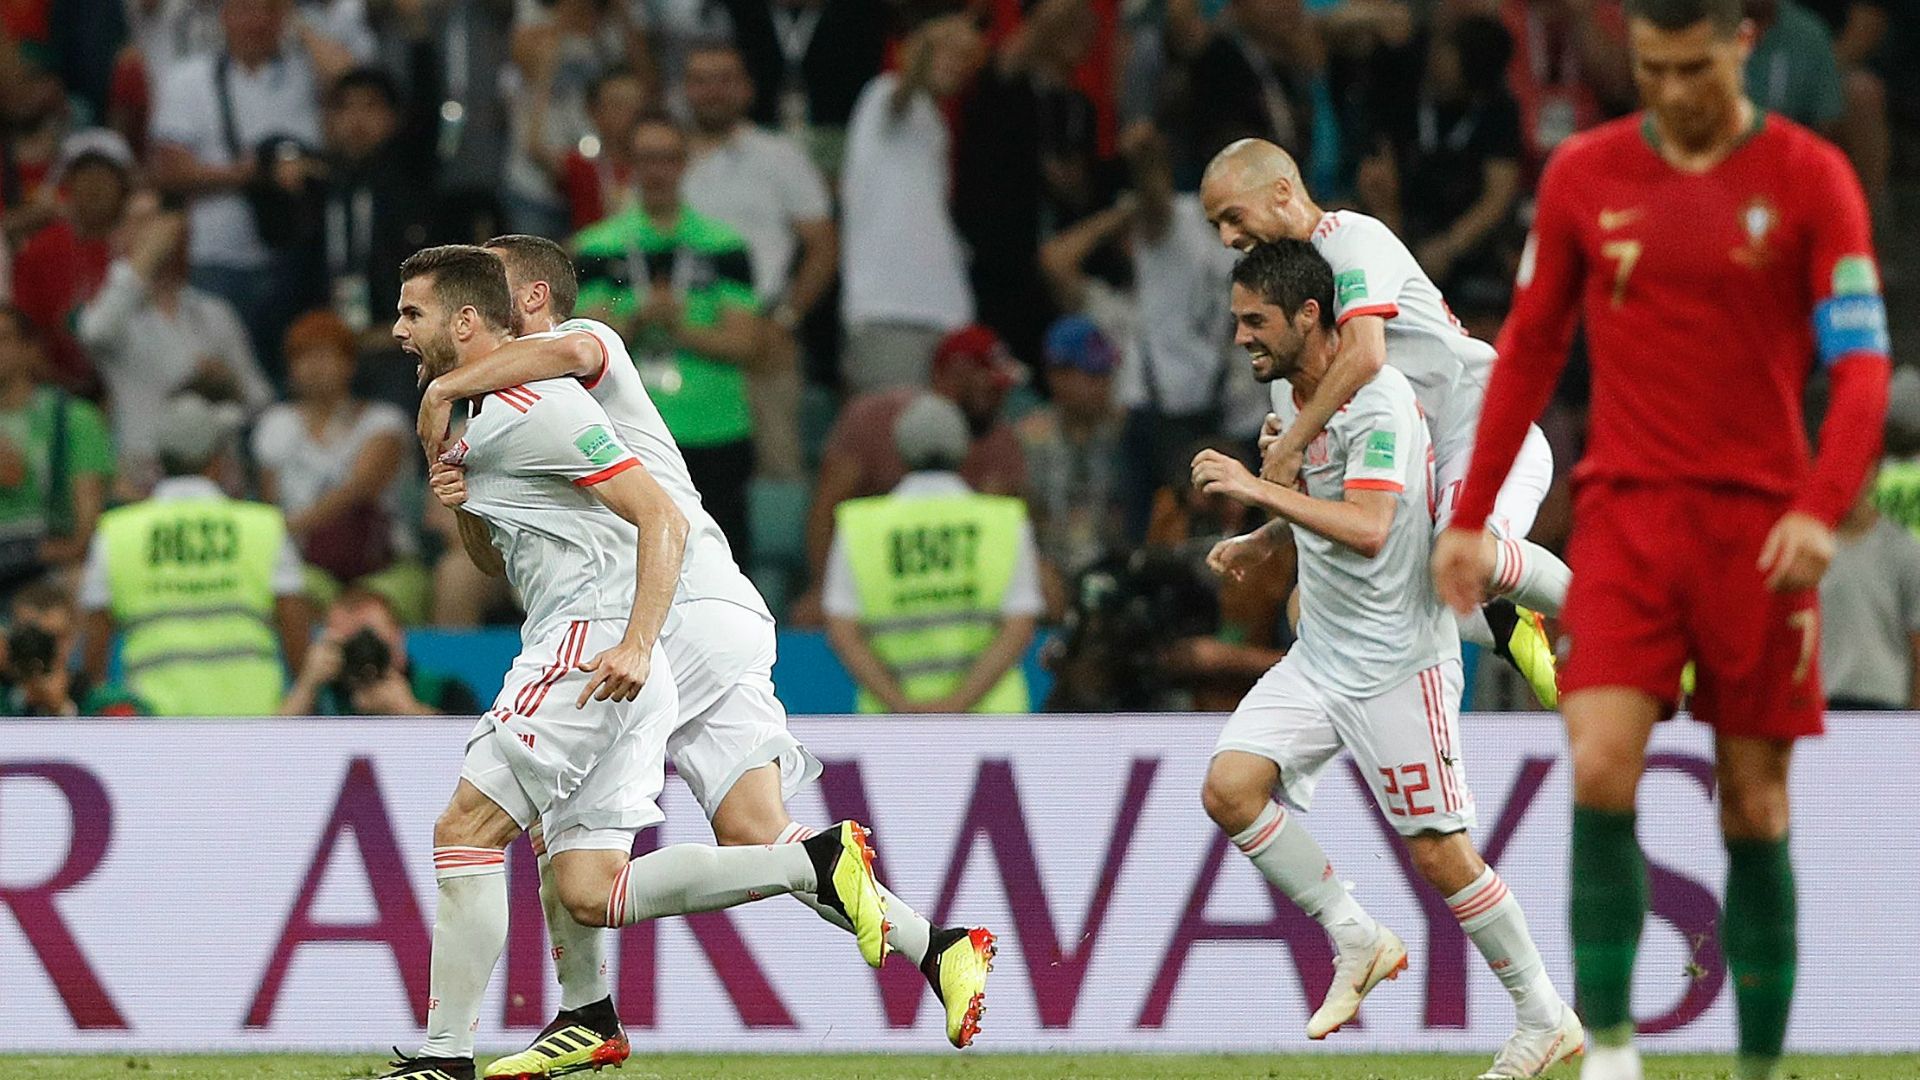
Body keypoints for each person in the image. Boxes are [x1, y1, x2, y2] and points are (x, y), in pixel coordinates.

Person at [1427, 0, 1892, 1076]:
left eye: (1691, 68)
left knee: (1756, 800)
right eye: (1649, 69)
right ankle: (1616, 1057)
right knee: (1598, 765)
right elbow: (1530, 355)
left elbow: (1861, 370)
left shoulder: (1812, 176)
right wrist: (1469, 517)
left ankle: (1761, 1068)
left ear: (1742, 44)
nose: (1670, 93)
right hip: (1627, 520)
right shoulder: (1585, 174)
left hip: (1760, 528)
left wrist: (1820, 512)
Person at [414, 235, 996, 1067]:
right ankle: (938, 949)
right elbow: (500, 552)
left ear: (535, 299)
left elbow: (582, 352)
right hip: (713, 614)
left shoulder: (585, 351)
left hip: (670, 610)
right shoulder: (509, 421)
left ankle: (585, 1010)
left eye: (502, 292)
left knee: (549, 800)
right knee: (761, 833)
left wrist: (446, 384)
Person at [1195, 240, 1581, 1076]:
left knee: (1442, 854)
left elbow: (1372, 529)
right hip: (1322, 657)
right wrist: (1268, 537)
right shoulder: (1289, 392)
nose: (1241, 338)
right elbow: (1327, 501)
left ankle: (1543, 1016)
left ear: (1309, 316)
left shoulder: (1380, 401)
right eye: (1236, 321)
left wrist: (1259, 489)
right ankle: (1356, 935)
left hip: (1399, 665)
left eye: (1254, 321)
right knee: (1230, 789)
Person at [1199, 137, 1566, 708]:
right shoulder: (1295, 351)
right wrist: (1270, 536)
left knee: (1462, 549)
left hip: (1482, 432)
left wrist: (1294, 441)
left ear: (1280, 193)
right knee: (1315, 609)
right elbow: (1337, 499)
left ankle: (1616, 621)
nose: (1226, 238)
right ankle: (1502, 625)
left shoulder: (1352, 241)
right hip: (1419, 462)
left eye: (1232, 217)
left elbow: (1367, 351)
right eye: (1216, 225)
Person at [571, 115, 764, 564]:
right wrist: (637, 318)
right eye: (645, 159)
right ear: (629, 165)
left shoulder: (724, 246)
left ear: (685, 163)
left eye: (667, 159)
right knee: (627, 569)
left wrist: (679, 328)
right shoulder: (596, 247)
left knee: (720, 567)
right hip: (623, 433)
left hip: (714, 428)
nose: (656, 171)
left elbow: (745, 343)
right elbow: (580, 343)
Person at [78, 393, 311, 716]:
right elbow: (294, 622)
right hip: (255, 725)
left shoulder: (116, 532)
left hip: (156, 727)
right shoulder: (263, 527)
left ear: (158, 461)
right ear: (218, 461)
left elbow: (95, 642)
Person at [146, 0, 335, 373]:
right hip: (219, 257)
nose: (256, 23)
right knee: (222, 371)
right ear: (224, 17)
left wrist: (299, 24)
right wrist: (253, 174)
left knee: (293, 374)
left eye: (267, 11)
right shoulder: (190, 78)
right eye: (244, 11)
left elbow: (351, 79)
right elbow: (167, 169)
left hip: (297, 257)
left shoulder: (303, 74)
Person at [823, 393, 1043, 715]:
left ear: (899, 451)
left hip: (889, 727)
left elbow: (843, 630)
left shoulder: (860, 526)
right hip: (991, 721)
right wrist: (956, 705)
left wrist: (901, 706)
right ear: (965, 448)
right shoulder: (1003, 521)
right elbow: (1019, 625)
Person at [797, 324, 1029, 623]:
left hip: (963, 579)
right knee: (811, 613)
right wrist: (826, 585)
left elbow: (1000, 538)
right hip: (875, 571)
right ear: (953, 374)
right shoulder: (872, 418)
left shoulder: (1001, 440)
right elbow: (826, 509)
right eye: (990, 387)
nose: (998, 399)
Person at [681, 40, 838, 482]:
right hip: (685, 336)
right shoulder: (666, 160)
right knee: (684, 476)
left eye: (724, 80)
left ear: (747, 89)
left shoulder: (779, 156)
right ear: (685, 90)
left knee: (777, 470)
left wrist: (787, 317)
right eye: (700, 81)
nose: (712, 91)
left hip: (763, 331)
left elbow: (824, 244)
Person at [74, 200, 276, 493]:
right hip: (146, 479)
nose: (158, 232)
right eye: (141, 222)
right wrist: (143, 258)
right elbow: (95, 334)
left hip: (216, 479)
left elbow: (261, 400)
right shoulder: (112, 313)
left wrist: (229, 384)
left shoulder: (213, 311)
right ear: (118, 234)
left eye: (160, 220)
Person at [837, 14, 984, 393]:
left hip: (949, 313)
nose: (954, 63)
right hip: (889, 311)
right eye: (943, 52)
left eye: (963, 57)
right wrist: (922, 49)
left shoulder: (937, 124)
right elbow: (904, 90)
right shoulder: (882, 95)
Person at [251, 310, 419, 613]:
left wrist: (287, 527)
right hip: (305, 561)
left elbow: (359, 488)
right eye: (304, 357)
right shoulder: (275, 424)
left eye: (325, 356)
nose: (315, 367)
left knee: (377, 604)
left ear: (350, 364)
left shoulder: (384, 421)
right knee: (293, 592)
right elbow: (269, 500)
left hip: (383, 564)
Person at [0, 307, 116, 597]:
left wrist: (36, 554)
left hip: (48, 562)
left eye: (3, 339)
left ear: (29, 349)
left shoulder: (73, 419)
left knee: (81, 584)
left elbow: (84, 531)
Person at [1018, 315, 1125, 599]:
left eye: (1106, 373)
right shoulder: (1029, 439)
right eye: (1092, 374)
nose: (1103, 385)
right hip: (1048, 584)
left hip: (1114, 579)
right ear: (1057, 376)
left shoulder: (1123, 434)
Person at [280, 587, 479, 716]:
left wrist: (409, 711)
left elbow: (473, 759)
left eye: (371, 637)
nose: (362, 649)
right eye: (349, 641)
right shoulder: (323, 698)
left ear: (397, 635)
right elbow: (269, 751)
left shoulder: (446, 692)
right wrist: (306, 686)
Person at [1818, 483, 1920, 710]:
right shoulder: (1804, 548)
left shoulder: (1904, 550)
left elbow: (1917, 638)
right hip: (1817, 703)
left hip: (1886, 706)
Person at [0, 577, 145, 717]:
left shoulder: (108, 704)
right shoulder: (5, 702)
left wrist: (63, 710)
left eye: (56, 637)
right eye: (33, 638)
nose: (46, 650)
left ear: (73, 637)